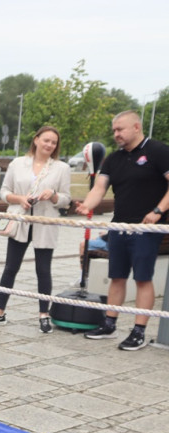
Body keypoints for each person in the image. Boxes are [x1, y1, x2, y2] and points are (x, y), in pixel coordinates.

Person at [76, 111, 169, 351]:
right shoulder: (113, 159)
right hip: (119, 226)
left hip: (147, 227)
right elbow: (99, 187)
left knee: (142, 278)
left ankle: (138, 331)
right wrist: (87, 204)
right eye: (114, 130)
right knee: (117, 276)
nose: (116, 134)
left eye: (120, 129)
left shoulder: (158, 151)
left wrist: (158, 210)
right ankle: (109, 324)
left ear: (137, 127)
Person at [0, 126, 70, 333]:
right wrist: (20, 199)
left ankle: (43, 314)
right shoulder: (18, 163)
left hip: (45, 222)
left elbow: (66, 199)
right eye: (46, 140)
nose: (49, 145)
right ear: (36, 140)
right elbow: (4, 191)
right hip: (20, 220)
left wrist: (53, 195)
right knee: (10, 267)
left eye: (53, 142)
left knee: (43, 269)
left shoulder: (61, 168)